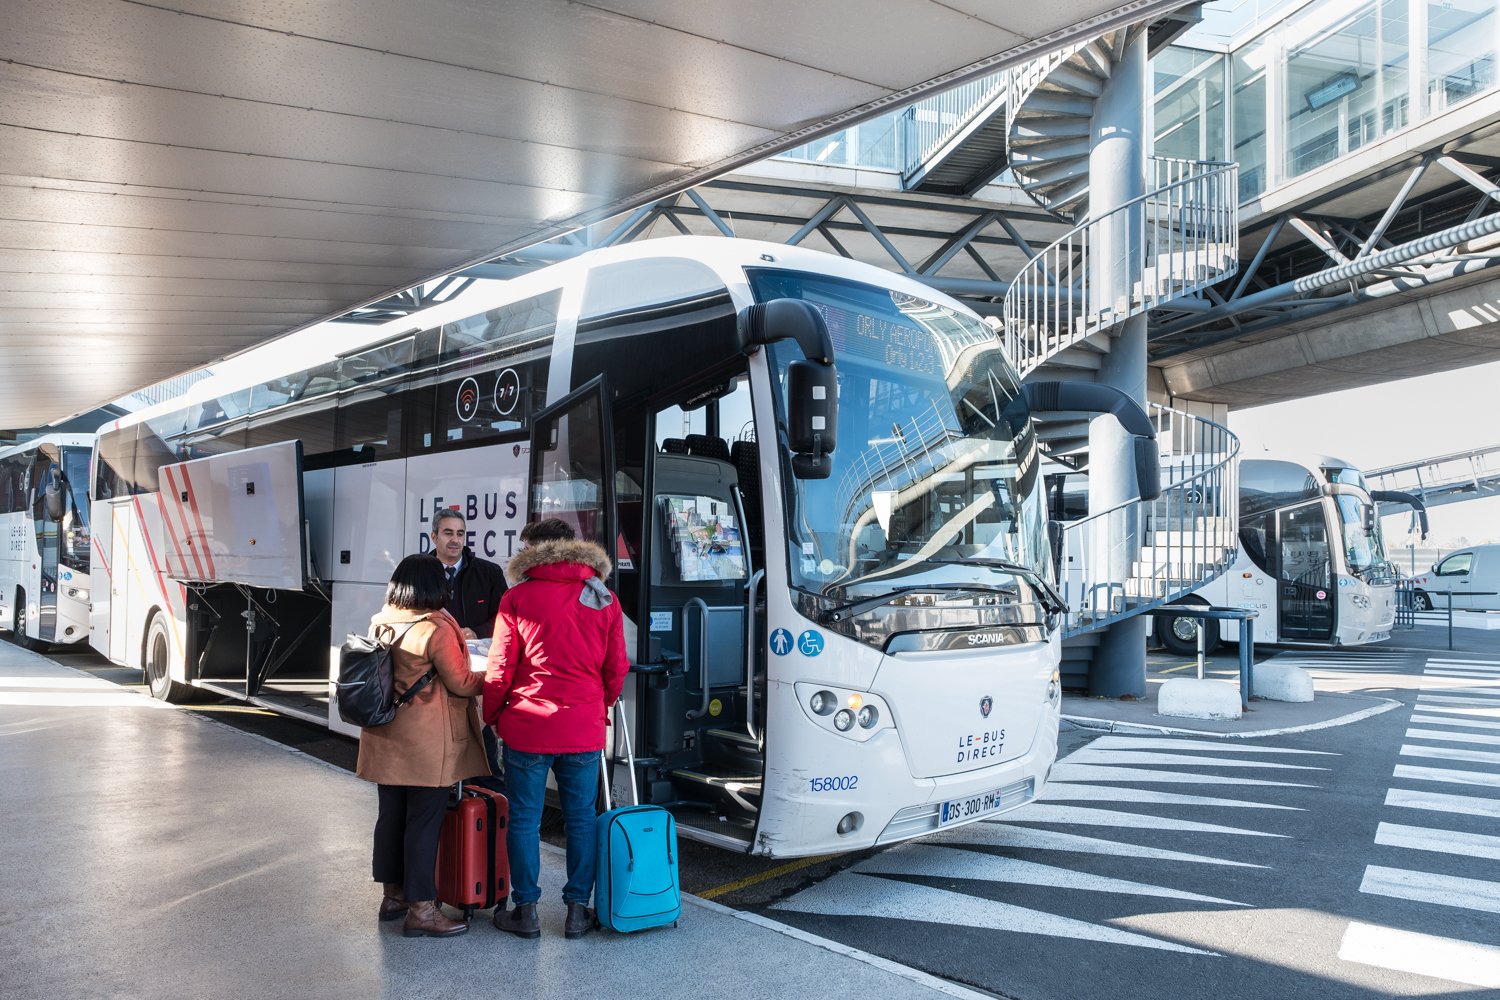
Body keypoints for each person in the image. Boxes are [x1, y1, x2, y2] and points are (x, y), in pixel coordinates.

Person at [483, 518, 629, 940]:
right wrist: (600, 702)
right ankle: (577, 911)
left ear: (533, 550)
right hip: (582, 726)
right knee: (582, 819)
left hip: (528, 725)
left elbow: (500, 667)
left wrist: (493, 715)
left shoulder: (517, 597)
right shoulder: (602, 595)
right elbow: (616, 666)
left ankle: (526, 910)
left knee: (524, 819)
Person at [356, 554, 490, 939]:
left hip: (384, 737)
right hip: (425, 744)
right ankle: (422, 911)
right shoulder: (435, 629)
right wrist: (493, 675)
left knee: (391, 817)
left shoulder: (382, 621)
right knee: (422, 824)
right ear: (434, 587)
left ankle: (393, 897)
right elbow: (461, 682)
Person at [429, 506, 509, 783]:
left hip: (477, 673)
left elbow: (506, 617)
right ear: (434, 536)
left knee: (483, 749)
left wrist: (476, 631)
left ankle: (485, 798)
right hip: (434, 674)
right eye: (448, 533)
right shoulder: (420, 571)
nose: (455, 540)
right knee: (440, 750)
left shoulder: (488, 572)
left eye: (460, 533)